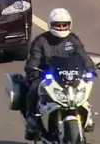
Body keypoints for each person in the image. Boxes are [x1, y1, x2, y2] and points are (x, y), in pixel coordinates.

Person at [23, 8, 96, 140]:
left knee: (83, 88)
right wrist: (33, 69)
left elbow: (83, 56)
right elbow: (34, 59)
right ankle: (32, 120)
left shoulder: (73, 40)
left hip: (69, 75)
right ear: (51, 24)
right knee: (34, 88)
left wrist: (90, 69)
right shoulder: (41, 41)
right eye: (58, 25)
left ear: (69, 25)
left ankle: (88, 116)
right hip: (47, 77)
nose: (61, 28)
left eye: (64, 25)